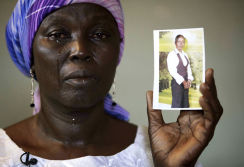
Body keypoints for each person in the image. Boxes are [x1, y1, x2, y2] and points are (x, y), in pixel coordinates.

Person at [0, 0, 223, 167]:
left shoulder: (160, 149)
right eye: (58, 34)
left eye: (99, 34)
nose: (80, 50)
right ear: (30, 57)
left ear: (117, 51)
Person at [167, 34, 194, 108]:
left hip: (186, 84)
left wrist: (189, 80)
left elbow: (188, 69)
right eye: (179, 41)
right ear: (175, 43)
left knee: (185, 105)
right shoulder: (172, 54)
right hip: (177, 84)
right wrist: (183, 82)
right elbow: (172, 71)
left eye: (183, 42)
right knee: (177, 105)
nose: (181, 44)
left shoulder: (185, 55)